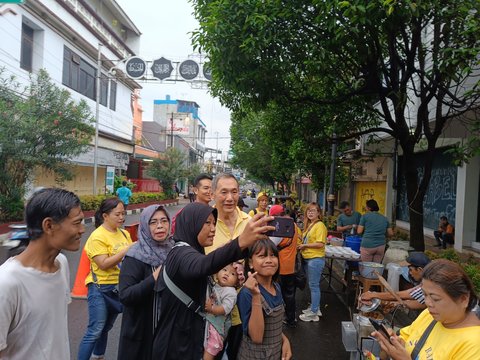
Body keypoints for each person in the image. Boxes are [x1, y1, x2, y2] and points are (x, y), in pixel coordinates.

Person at [151, 202, 276, 360]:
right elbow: (202, 266)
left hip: (187, 340)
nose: (213, 228)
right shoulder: (180, 252)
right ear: (192, 223)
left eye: (214, 223)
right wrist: (240, 241)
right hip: (175, 345)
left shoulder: (192, 251)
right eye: (207, 223)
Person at [0, 188, 84, 359]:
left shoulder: (61, 263)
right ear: (49, 225)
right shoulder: (7, 283)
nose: (82, 229)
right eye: (77, 222)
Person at [373, 259, 480, 360]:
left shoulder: (474, 344)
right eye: (425, 295)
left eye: (435, 298)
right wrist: (391, 345)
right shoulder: (429, 315)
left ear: (463, 299)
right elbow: (405, 342)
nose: (428, 303)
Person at [78, 198, 132, 360]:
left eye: (123, 213)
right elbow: (103, 264)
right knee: (95, 329)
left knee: (106, 327)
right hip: (99, 289)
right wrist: (126, 250)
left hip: (118, 288)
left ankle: (98, 356)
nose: (122, 217)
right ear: (105, 216)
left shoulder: (124, 233)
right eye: (117, 214)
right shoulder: (97, 237)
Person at [117, 205, 174, 360]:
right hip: (141, 332)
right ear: (144, 226)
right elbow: (125, 295)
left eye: (164, 221)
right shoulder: (135, 256)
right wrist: (154, 278)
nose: (160, 226)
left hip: (167, 331)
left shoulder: (174, 250)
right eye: (153, 222)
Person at [206, 173, 252, 359]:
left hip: (243, 309)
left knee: (237, 354)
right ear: (213, 194)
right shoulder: (205, 223)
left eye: (234, 192)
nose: (230, 198)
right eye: (224, 192)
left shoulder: (249, 222)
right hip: (212, 311)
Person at [237, 239, 292, 359]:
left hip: (275, 354)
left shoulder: (276, 286)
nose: (269, 260)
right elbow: (256, 337)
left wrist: (285, 340)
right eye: (262, 256)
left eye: (273, 255)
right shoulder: (247, 294)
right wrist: (256, 296)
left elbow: (273, 326)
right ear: (251, 263)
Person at [359, 252, 431, 311]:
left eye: (410, 269)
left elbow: (401, 295)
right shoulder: (425, 280)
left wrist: (374, 295)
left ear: (419, 270)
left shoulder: (429, 284)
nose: (410, 273)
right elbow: (418, 302)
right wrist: (393, 303)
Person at [268, 204, 302, 328]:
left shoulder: (280, 226)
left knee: (278, 294)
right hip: (290, 266)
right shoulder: (293, 225)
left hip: (280, 267)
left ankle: (279, 318)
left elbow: (271, 244)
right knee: (290, 294)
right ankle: (291, 319)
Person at [298, 202, 327, 322]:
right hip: (308, 258)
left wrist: (305, 245)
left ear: (319, 213)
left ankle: (313, 313)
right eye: (309, 210)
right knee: (312, 285)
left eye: (313, 211)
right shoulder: (310, 225)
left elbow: (320, 243)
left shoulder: (320, 225)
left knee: (314, 286)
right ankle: (316, 308)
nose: (310, 213)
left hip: (315, 259)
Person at [204, 264, 239, 360]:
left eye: (232, 274)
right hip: (210, 321)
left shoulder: (231, 292)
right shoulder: (215, 285)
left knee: (211, 346)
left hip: (219, 327)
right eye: (224, 270)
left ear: (237, 282)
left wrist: (212, 309)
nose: (227, 274)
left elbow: (225, 309)